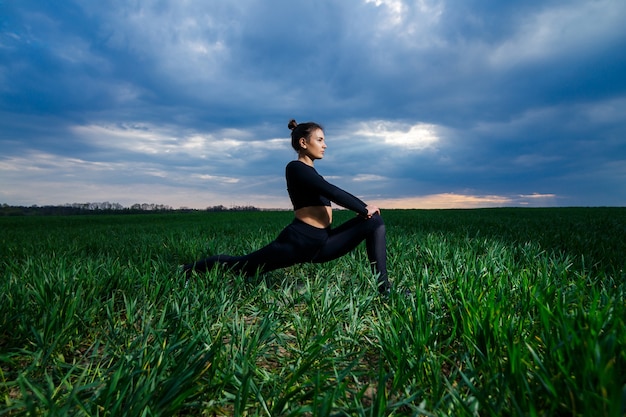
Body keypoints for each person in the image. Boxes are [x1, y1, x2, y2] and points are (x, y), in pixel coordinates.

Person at [184, 119, 391, 294]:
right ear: (303, 142)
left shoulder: (311, 172)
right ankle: (185, 270)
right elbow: (331, 191)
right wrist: (363, 208)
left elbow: (329, 190)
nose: (324, 145)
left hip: (322, 242)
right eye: (319, 140)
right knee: (242, 267)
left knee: (375, 223)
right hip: (299, 241)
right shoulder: (295, 168)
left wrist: (366, 211)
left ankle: (385, 289)